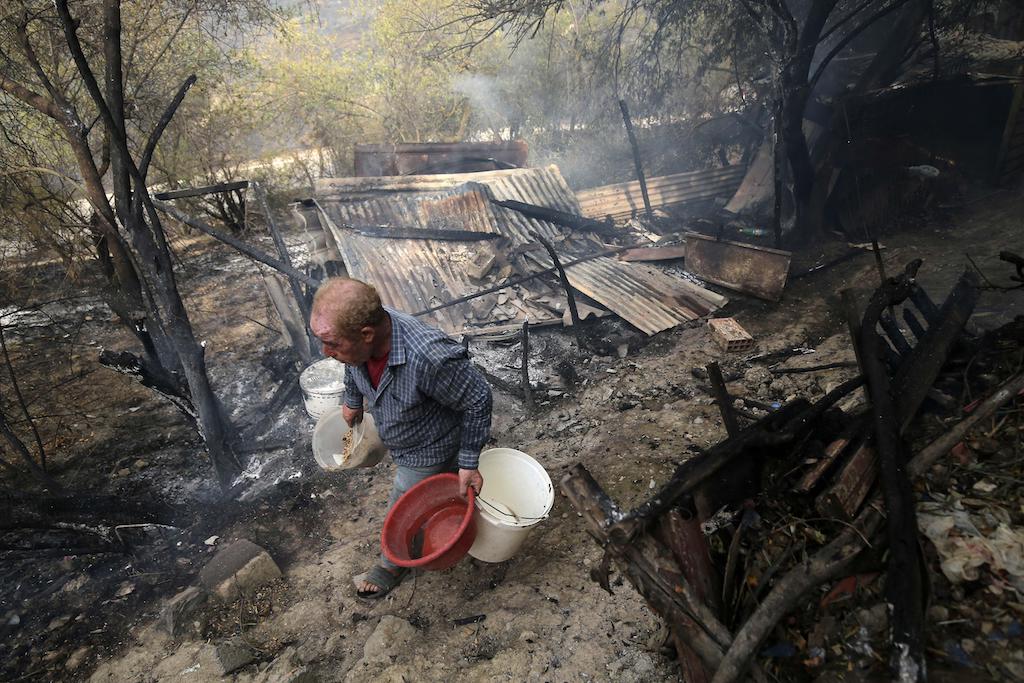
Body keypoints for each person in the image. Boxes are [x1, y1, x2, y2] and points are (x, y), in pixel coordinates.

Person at [309, 277, 493, 598]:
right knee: (442, 486)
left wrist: (469, 462)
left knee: (406, 496)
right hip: (403, 430)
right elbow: (353, 365)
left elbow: (478, 399)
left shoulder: (429, 357)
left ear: (366, 334)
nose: (327, 353)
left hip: (429, 446)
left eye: (332, 344)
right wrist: (352, 401)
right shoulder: (362, 339)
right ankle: (451, 490)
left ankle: (391, 564)